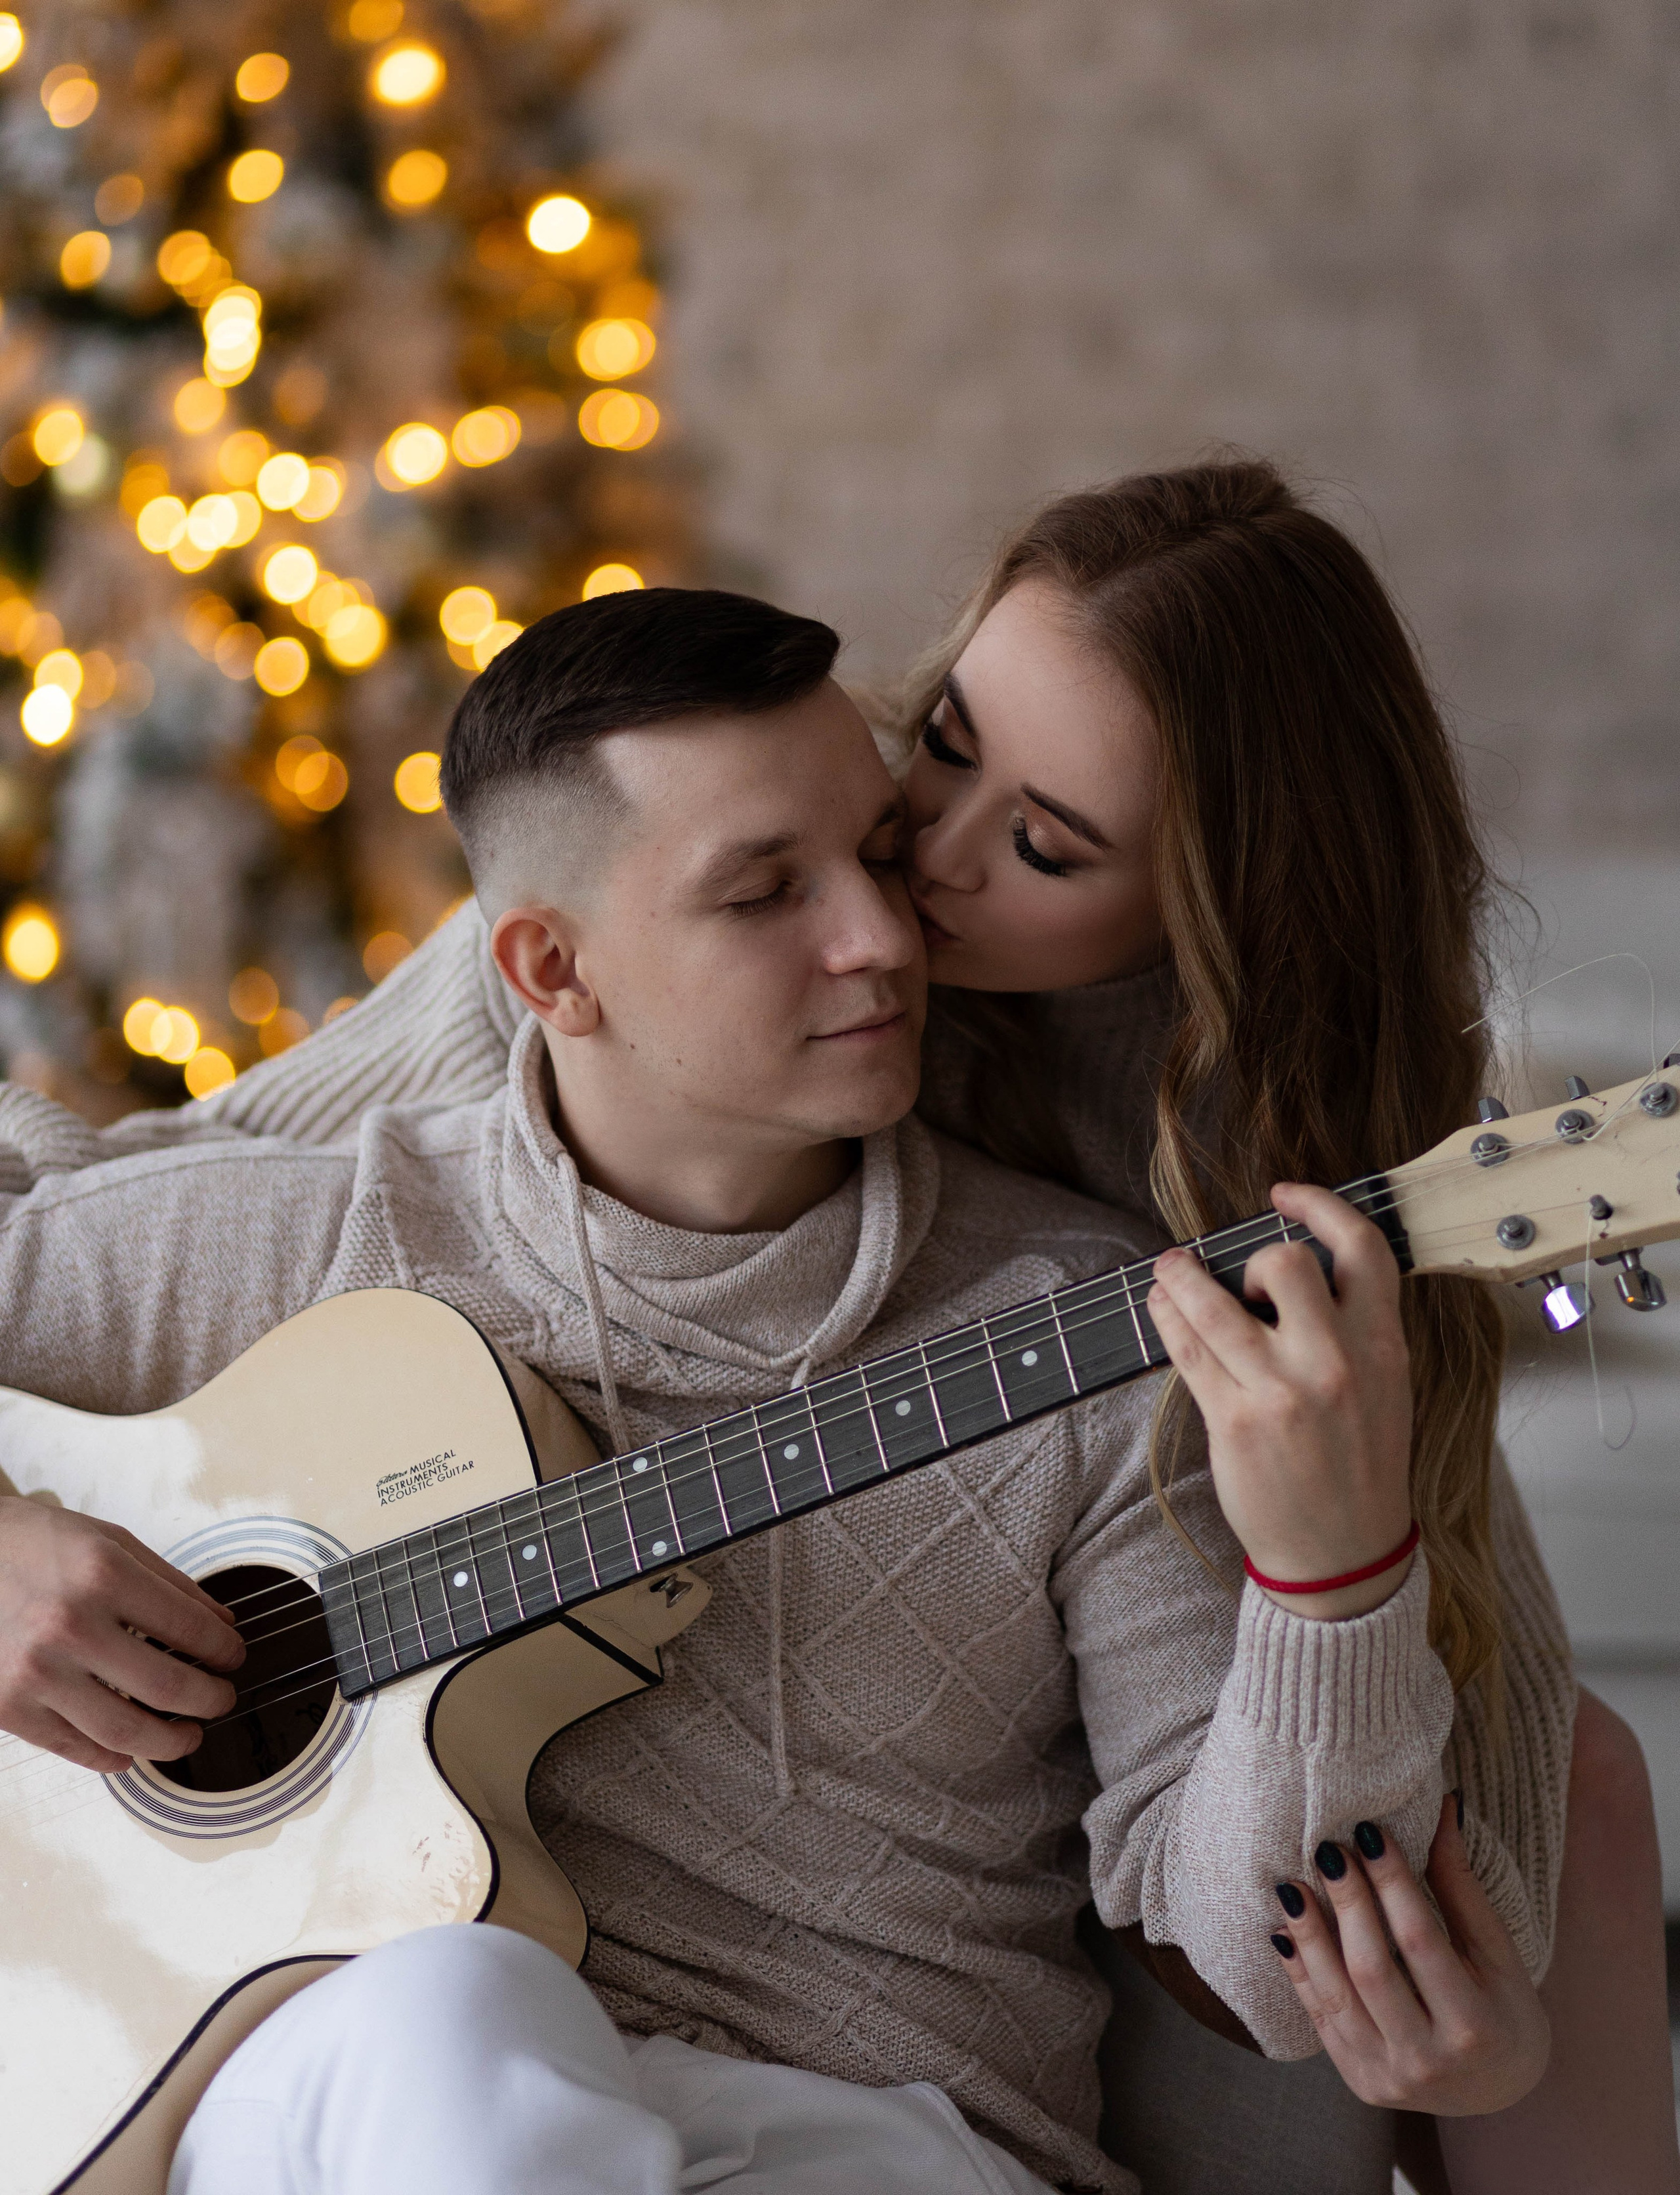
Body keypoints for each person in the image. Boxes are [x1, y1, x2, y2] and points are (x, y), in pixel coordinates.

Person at [45, 465, 1667, 2190]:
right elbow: (212, 1174)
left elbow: (1383, 1836)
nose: (895, 912)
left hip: (886, 2112)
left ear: (1210, 910)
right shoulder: (583, 934)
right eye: (933, 768)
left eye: (1041, 845)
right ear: (555, 973)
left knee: (1584, 1782)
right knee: (439, 2015)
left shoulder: (1171, 1286)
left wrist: (1425, 1921)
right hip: (459, 2067)